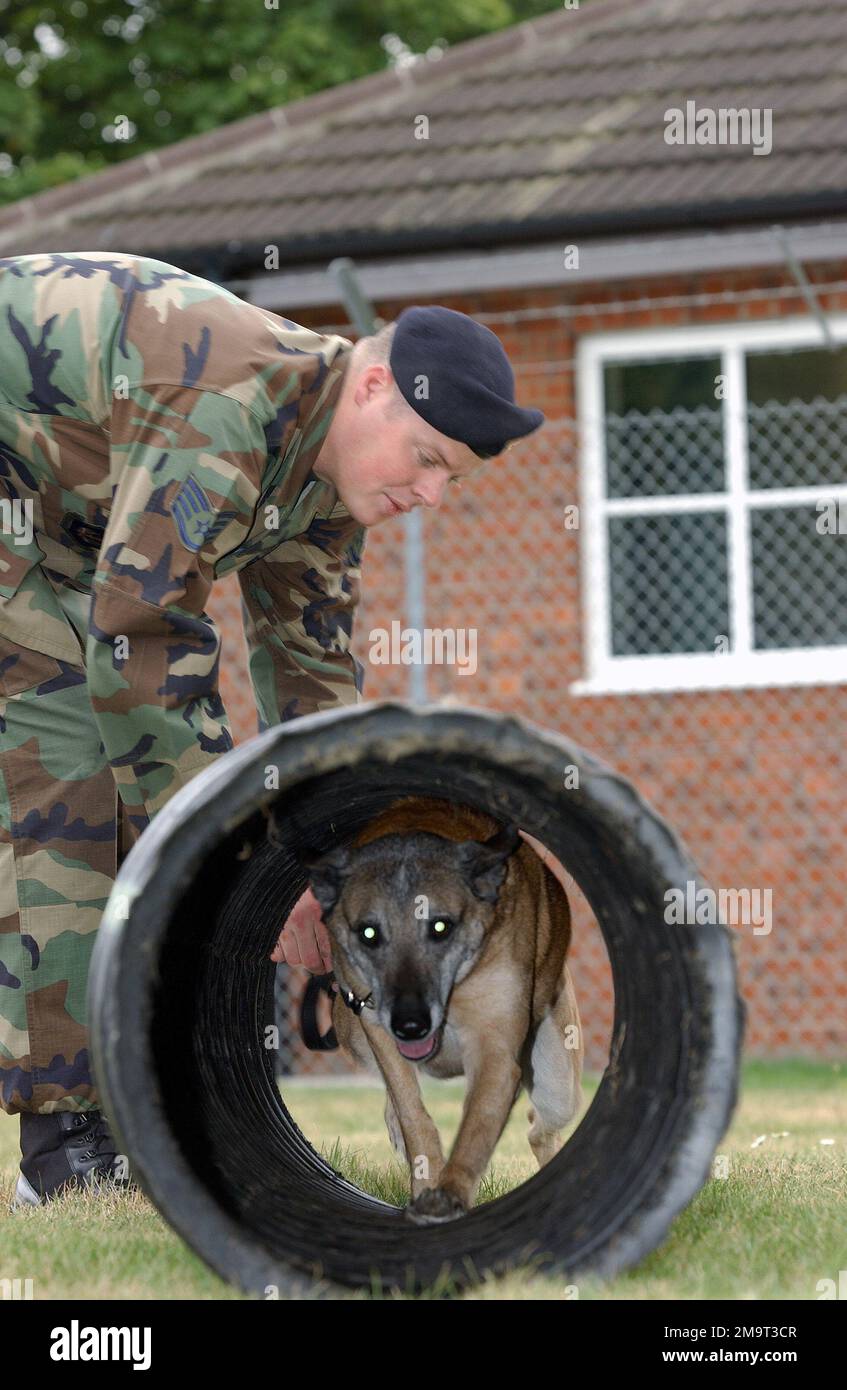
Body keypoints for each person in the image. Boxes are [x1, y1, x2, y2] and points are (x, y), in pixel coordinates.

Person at [0, 251, 544, 1206]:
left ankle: (139, 1102)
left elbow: (314, 684)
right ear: (372, 385)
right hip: (23, 513)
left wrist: (327, 860)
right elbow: (144, 646)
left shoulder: (328, 478)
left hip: (54, 518)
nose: (431, 498)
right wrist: (252, 857)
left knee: (143, 776)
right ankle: (70, 1155)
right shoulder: (223, 405)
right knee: (78, 767)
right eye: (425, 460)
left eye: (451, 478)